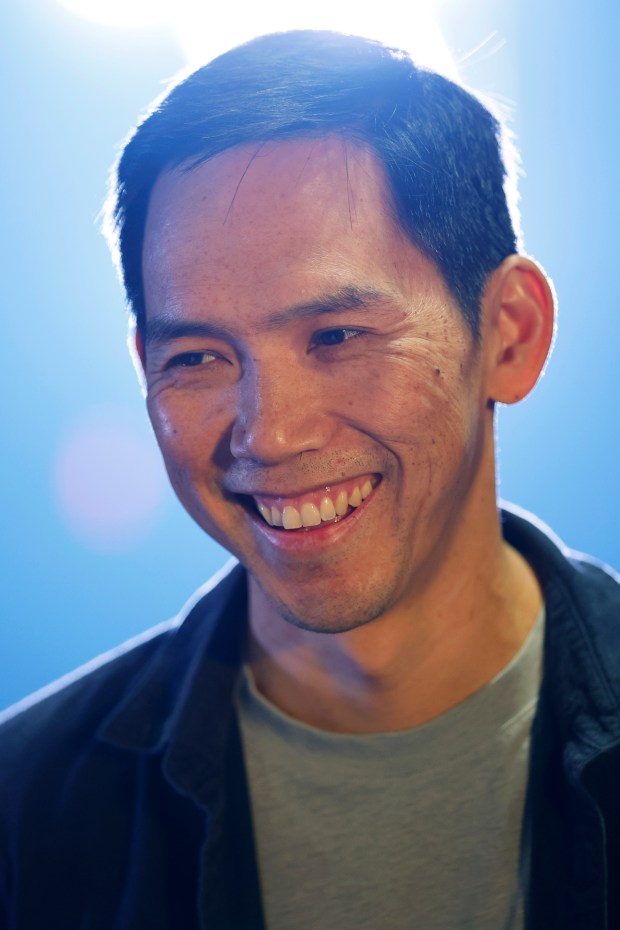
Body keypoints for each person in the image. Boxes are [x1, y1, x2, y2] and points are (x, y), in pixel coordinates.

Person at [1, 29, 619, 930]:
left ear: (510, 334)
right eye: (200, 357)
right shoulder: (27, 811)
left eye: (337, 337)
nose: (272, 433)